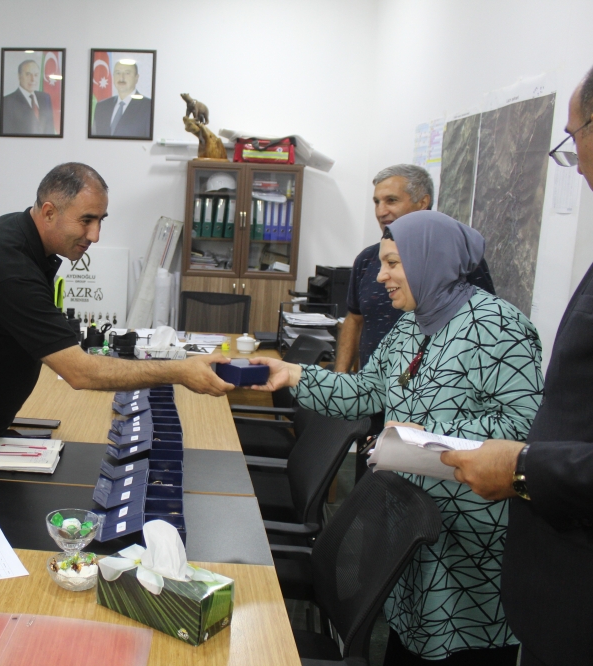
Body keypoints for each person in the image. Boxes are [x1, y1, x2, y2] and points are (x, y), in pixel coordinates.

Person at [250, 212, 544, 665]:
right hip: (410, 519)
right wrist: (292, 374)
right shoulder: (411, 323)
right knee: (407, 637)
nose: (380, 276)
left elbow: (526, 429)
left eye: (392, 263)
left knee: (458, 644)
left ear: (431, 260)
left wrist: (436, 437)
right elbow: (366, 391)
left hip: (468, 535)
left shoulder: (499, 327)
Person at [0, 162, 233, 502]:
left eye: (100, 220)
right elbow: (80, 372)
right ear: (49, 212)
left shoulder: (24, 237)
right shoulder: (8, 265)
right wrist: (179, 371)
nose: (95, 235)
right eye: (86, 220)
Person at [440, 68, 593, 666]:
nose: (576, 165)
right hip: (552, 576)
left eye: (574, 139)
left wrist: (524, 466)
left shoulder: (493, 325)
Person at [335, 164, 495, 374]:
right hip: (373, 387)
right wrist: (340, 378)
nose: (381, 211)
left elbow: (484, 324)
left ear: (422, 203)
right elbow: (355, 319)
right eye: (376, 202)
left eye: (391, 200)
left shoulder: (456, 258)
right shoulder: (367, 260)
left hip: (435, 387)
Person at [91, 61, 151, 138]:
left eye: (127, 73)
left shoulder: (148, 107)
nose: (121, 78)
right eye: (118, 73)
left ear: (136, 78)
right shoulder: (102, 106)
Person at [2, 59, 54, 135]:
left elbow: (50, 129)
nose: (33, 79)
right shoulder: (7, 102)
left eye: (36, 75)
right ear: (19, 76)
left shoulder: (45, 98)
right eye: (28, 74)